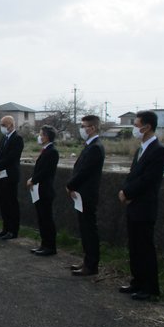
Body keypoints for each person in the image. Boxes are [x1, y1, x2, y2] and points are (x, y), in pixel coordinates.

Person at [118, 110, 164, 301]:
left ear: (147, 127)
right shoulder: (141, 149)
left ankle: (149, 287)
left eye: (136, 124)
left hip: (145, 206)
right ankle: (137, 282)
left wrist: (128, 192)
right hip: (133, 205)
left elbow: (149, 179)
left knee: (145, 247)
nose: (135, 128)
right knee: (134, 246)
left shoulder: (158, 150)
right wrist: (125, 190)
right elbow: (133, 175)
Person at [66, 115, 105, 276]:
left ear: (93, 128)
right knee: (84, 228)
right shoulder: (90, 145)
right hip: (82, 194)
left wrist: (70, 185)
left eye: (84, 126)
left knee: (89, 229)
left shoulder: (95, 147)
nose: (82, 129)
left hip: (87, 194)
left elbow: (85, 171)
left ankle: (91, 265)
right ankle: (87, 261)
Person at [27, 125, 59, 256]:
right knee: (41, 218)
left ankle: (50, 246)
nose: (39, 137)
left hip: (45, 190)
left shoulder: (52, 151)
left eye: (41, 134)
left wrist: (33, 180)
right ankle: (44, 244)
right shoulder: (45, 150)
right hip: (39, 190)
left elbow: (46, 171)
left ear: (46, 136)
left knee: (47, 219)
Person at [0, 116, 24, 240]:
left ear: (10, 125)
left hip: (10, 176)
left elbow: (12, 157)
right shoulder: (4, 138)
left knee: (11, 203)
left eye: (4, 125)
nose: (2, 127)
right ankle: (5, 228)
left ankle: (13, 230)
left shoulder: (17, 139)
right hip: (0, 175)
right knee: (3, 203)